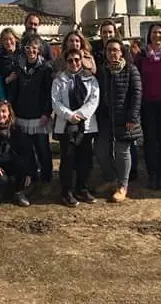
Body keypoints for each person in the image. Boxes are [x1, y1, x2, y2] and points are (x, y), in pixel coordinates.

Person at [95, 39, 142, 202]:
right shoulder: (102, 71)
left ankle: (123, 186)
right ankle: (110, 179)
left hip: (124, 118)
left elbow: (137, 94)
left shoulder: (131, 69)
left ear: (122, 52)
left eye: (115, 50)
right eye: (109, 50)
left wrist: (132, 117)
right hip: (105, 117)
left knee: (122, 152)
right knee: (101, 150)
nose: (112, 53)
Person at [52, 48, 100, 207]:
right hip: (66, 125)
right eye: (70, 60)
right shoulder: (59, 80)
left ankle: (83, 188)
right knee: (68, 159)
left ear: (82, 60)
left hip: (85, 125)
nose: (74, 63)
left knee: (85, 159)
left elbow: (94, 100)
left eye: (77, 60)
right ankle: (66, 191)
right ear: (65, 62)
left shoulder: (90, 79)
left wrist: (79, 115)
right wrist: (69, 115)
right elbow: (55, 101)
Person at [7, 33, 54, 195]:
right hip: (22, 115)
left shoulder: (46, 68)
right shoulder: (18, 68)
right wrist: (11, 111)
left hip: (39, 116)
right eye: (28, 47)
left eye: (34, 48)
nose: (31, 51)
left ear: (39, 49)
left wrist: (46, 113)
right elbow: (13, 91)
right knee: (27, 151)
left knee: (43, 150)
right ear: (23, 49)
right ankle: (32, 179)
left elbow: (49, 93)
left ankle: (47, 179)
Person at [137, 23, 161, 190]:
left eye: (160, 32)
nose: (157, 35)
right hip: (147, 105)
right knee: (150, 141)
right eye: (154, 33)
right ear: (149, 35)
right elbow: (136, 81)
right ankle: (152, 175)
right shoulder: (142, 56)